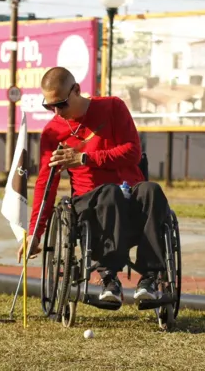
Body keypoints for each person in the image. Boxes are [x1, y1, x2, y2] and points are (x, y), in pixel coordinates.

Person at [17, 67, 171, 305]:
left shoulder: (112, 107)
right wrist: (35, 232)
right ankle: (109, 277)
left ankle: (150, 278)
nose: (57, 112)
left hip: (130, 194)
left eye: (61, 104)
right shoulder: (52, 132)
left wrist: (85, 158)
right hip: (90, 202)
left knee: (152, 190)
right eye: (50, 106)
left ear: (77, 90)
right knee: (108, 192)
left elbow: (132, 152)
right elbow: (46, 184)